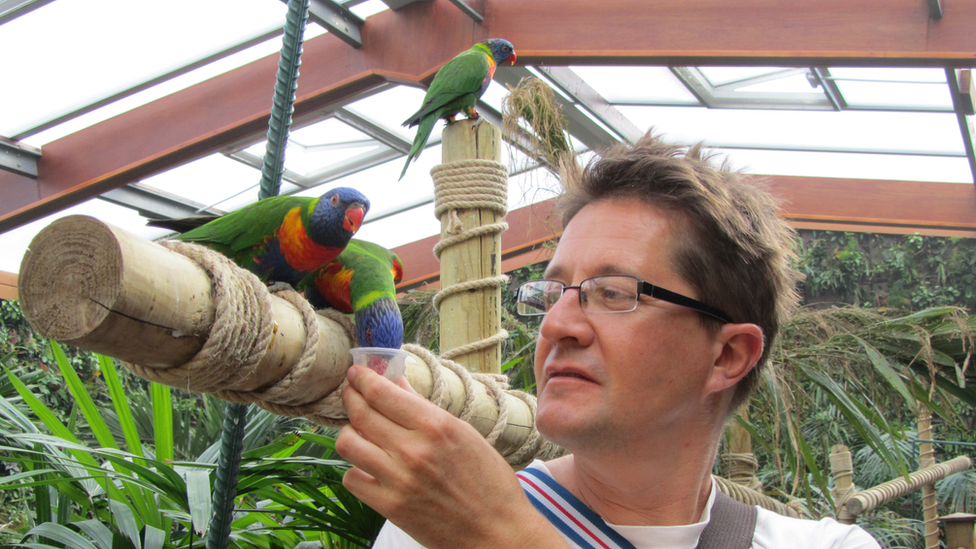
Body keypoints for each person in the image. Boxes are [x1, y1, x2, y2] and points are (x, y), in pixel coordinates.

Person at [335, 133, 880, 549]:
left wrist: (510, 536)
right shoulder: (429, 528)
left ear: (728, 355)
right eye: (554, 293)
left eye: (615, 293)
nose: (556, 325)